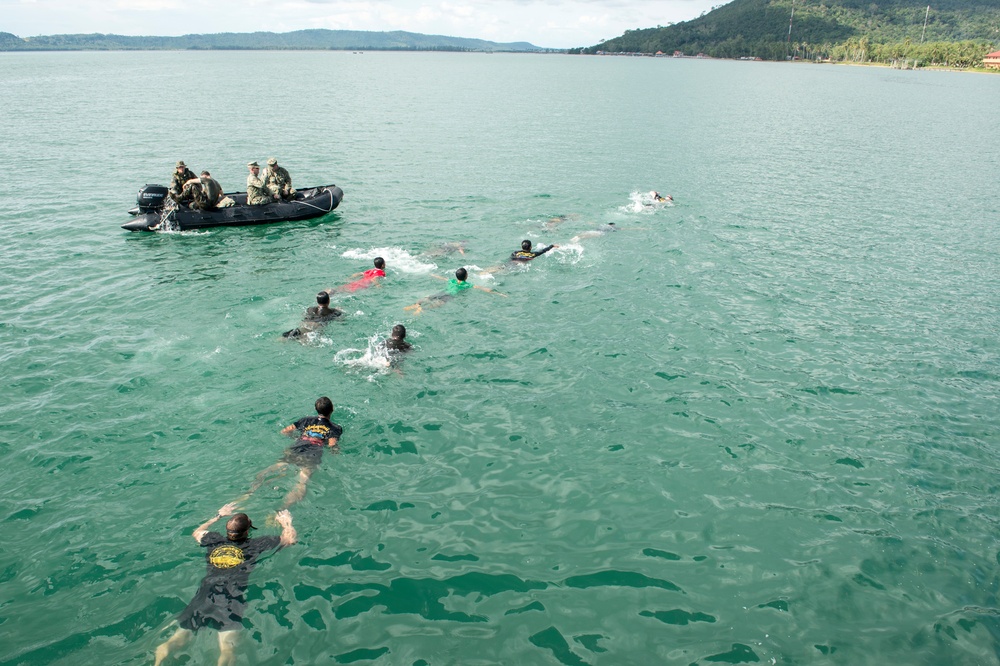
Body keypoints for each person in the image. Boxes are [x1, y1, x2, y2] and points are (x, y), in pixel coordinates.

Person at [153, 504, 296, 666]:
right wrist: (286, 522)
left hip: (204, 595)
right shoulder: (258, 544)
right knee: (228, 651)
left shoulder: (214, 540)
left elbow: (196, 533)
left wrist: (219, 515)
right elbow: (290, 539)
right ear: (248, 530)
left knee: (176, 640)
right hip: (230, 599)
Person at [242, 397, 343, 509]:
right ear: (332, 409)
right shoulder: (335, 428)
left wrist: (296, 438)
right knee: (301, 483)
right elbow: (332, 445)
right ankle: (282, 509)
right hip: (312, 454)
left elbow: (284, 431)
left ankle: (249, 493)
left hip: (296, 448)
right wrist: (336, 452)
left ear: (316, 409)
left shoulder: (305, 420)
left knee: (273, 468)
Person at [404, 267, 503, 314]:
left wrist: (432, 274)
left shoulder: (452, 281)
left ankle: (416, 304)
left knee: (429, 297)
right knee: (438, 304)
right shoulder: (467, 284)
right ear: (466, 276)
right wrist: (497, 293)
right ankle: (422, 309)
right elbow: (483, 289)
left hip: (443, 292)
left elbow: (442, 278)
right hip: (449, 296)